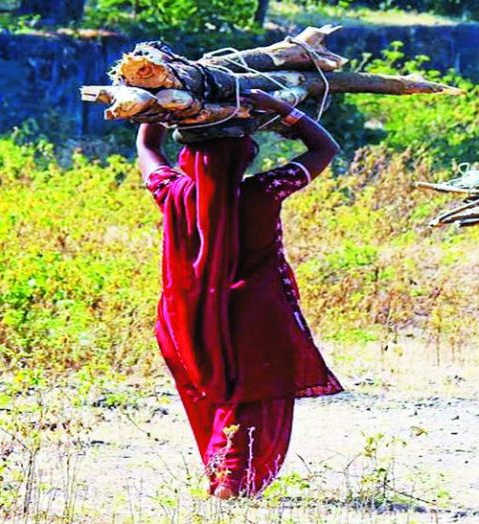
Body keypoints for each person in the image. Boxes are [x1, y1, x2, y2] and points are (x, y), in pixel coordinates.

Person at [136, 89, 343, 497]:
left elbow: (146, 144)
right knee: (253, 395)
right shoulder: (263, 192)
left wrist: (161, 105)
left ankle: (224, 477)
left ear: (187, 157)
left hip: (187, 317)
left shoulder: (171, 192)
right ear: (246, 156)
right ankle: (233, 481)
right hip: (256, 313)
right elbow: (325, 147)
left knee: (212, 394)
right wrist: (284, 111)